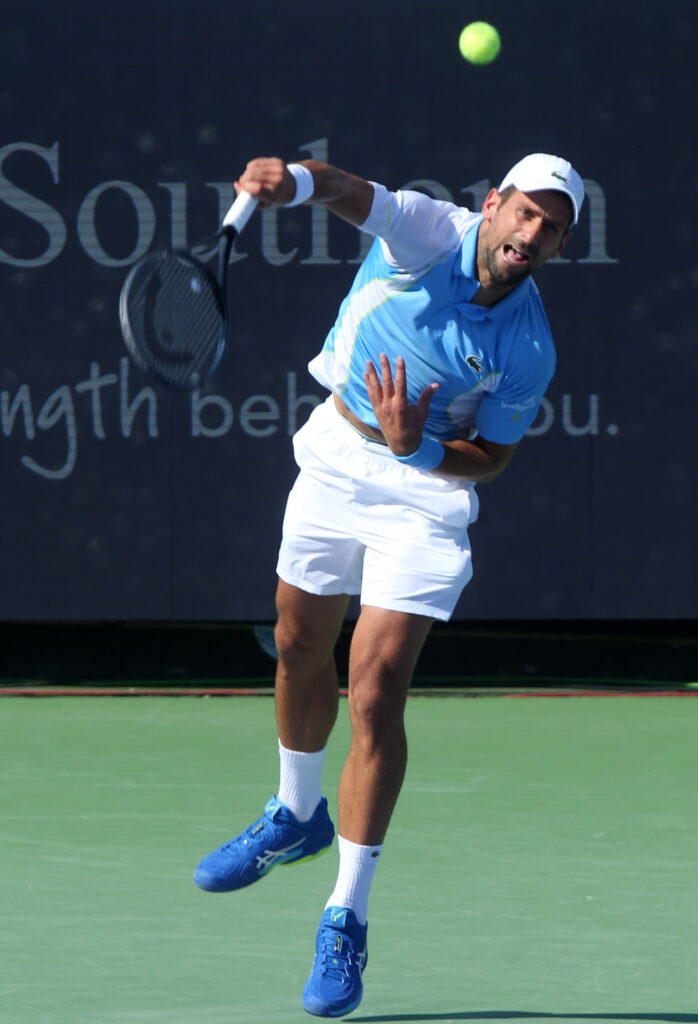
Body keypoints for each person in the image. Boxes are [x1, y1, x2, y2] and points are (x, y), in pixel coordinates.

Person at [194, 152, 585, 1017]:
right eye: (525, 212)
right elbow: (341, 190)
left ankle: (346, 915)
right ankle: (296, 813)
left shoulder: (528, 346)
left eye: (552, 227)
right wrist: (288, 181)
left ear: (559, 245)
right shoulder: (423, 230)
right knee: (298, 642)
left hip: (425, 495)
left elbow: (493, 458)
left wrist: (418, 448)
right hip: (336, 455)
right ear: (493, 207)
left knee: (373, 694)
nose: (533, 233)